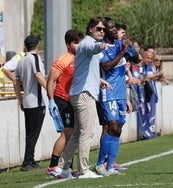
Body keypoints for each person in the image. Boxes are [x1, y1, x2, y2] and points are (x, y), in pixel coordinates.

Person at [59, 17, 108, 179]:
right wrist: (100, 46)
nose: (102, 31)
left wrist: (100, 81)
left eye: (103, 29)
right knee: (87, 133)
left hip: (80, 92)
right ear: (90, 30)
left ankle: (64, 167)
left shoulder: (89, 44)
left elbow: (86, 68)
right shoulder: (88, 43)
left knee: (78, 133)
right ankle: (83, 170)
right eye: (98, 29)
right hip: (84, 94)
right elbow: (91, 47)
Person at [95, 18, 133, 176]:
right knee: (111, 126)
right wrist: (123, 52)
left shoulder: (119, 45)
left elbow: (136, 59)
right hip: (107, 92)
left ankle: (110, 166)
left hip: (121, 95)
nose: (112, 31)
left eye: (113, 28)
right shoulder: (101, 48)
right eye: (109, 28)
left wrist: (129, 47)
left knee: (118, 129)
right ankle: (99, 164)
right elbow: (106, 66)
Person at [46, 29, 84, 178]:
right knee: (67, 133)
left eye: (80, 43)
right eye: (75, 43)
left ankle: (67, 166)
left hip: (74, 100)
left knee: (73, 134)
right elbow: (51, 81)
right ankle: (53, 166)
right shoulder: (63, 59)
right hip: (62, 100)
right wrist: (51, 100)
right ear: (68, 44)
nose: (78, 46)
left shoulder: (80, 58)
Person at [14, 35, 47, 171]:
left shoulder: (21, 61)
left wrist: (20, 99)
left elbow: (16, 82)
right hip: (36, 101)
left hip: (27, 100)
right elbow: (38, 75)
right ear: (37, 45)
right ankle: (27, 162)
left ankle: (30, 160)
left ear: (25, 45)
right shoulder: (35, 58)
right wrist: (50, 90)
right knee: (34, 133)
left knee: (30, 133)